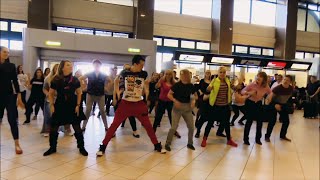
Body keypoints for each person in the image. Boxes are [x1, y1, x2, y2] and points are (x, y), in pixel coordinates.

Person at [96, 55, 166, 156]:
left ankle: (156, 145)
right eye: (141, 65)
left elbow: (145, 84)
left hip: (138, 104)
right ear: (135, 64)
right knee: (114, 125)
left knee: (148, 126)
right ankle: (103, 146)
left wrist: (146, 92)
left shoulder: (143, 73)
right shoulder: (125, 72)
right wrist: (116, 95)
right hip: (125, 104)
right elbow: (116, 81)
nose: (142, 67)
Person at [43, 60, 88, 156]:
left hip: (72, 105)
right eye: (68, 65)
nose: (71, 66)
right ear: (62, 67)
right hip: (59, 105)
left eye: (71, 65)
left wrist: (78, 105)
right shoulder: (56, 79)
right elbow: (50, 93)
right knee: (54, 127)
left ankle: (81, 147)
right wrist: (51, 105)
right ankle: (52, 147)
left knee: (77, 127)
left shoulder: (75, 79)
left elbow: (79, 93)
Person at [199, 66, 238, 147]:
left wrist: (237, 85)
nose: (222, 74)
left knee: (226, 124)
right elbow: (207, 90)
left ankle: (229, 140)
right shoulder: (214, 80)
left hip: (225, 106)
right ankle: (204, 139)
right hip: (215, 106)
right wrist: (210, 86)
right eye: (221, 72)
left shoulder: (227, 80)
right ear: (218, 73)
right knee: (210, 123)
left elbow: (233, 88)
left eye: (224, 72)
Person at [164, 69, 197, 151]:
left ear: (187, 76)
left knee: (191, 127)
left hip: (187, 108)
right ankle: (167, 143)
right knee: (174, 127)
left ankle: (190, 143)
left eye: (184, 75)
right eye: (181, 75)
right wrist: (175, 101)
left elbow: (195, 96)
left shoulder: (191, 86)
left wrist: (193, 100)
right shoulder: (177, 85)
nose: (183, 76)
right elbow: (169, 95)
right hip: (177, 108)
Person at [0, 46, 24, 154]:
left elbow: (15, 81)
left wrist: (19, 97)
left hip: (9, 96)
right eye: (4, 52)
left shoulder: (11, 66)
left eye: (8, 52)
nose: (7, 54)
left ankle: (17, 144)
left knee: (12, 120)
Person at [79, 60, 112, 132]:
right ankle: (83, 127)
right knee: (87, 111)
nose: (97, 66)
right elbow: (80, 79)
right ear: (93, 65)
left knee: (102, 111)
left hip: (100, 95)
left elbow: (110, 81)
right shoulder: (89, 73)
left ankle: (106, 127)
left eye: (98, 65)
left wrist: (106, 88)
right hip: (90, 94)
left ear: (100, 66)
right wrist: (83, 87)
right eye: (95, 65)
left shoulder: (103, 74)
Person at [242, 72, 272, 145]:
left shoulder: (266, 86)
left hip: (258, 104)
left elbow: (270, 93)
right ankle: (246, 139)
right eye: (257, 76)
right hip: (250, 103)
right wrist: (249, 93)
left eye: (260, 77)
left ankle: (258, 139)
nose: (258, 78)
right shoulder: (252, 84)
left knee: (260, 122)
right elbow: (242, 91)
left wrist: (269, 98)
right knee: (249, 121)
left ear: (264, 79)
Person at [152, 69, 181, 138]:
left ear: (172, 75)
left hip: (170, 102)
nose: (168, 75)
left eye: (169, 74)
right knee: (158, 117)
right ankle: (153, 130)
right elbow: (156, 87)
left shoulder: (174, 83)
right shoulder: (162, 81)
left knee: (172, 118)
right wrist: (158, 81)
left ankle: (174, 131)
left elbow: (177, 92)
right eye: (166, 74)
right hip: (162, 101)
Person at [265, 75, 294, 142]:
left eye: (287, 80)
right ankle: (267, 136)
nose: (285, 81)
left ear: (290, 82)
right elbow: (268, 99)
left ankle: (282, 136)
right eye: (284, 79)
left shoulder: (291, 88)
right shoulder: (277, 88)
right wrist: (275, 105)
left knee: (286, 121)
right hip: (274, 104)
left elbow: (288, 98)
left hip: (283, 105)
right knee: (272, 121)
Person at [41, 64, 59, 137]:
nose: (57, 70)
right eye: (56, 68)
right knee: (48, 115)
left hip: (59, 100)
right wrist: (48, 94)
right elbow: (44, 89)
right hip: (49, 100)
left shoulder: (63, 78)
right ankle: (47, 130)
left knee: (58, 116)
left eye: (58, 68)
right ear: (53, 69)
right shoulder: (48, 78)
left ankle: (57, 130)